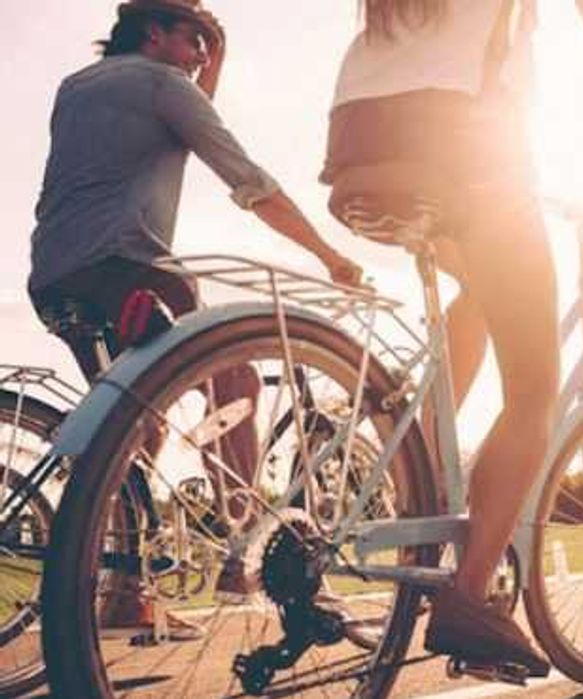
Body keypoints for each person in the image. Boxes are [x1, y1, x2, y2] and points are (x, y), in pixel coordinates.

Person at [321, 0, 583, 674]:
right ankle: (468, 596)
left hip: (358, 152)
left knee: (479, 295)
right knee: (534, 391)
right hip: (465, 151)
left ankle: (423, 463)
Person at [27, 0, 364, 633]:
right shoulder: (162, 84)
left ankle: (124, 590)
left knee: (136, 425)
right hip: (132, 267)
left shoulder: (77, 87)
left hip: (56, 275)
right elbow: (246, 178)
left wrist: (209, 64)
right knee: (232, 379)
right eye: (193, 39)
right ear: (154, 32)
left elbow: (176, 112)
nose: (201, 54)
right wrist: (328, 254)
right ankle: (244, 553)